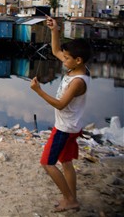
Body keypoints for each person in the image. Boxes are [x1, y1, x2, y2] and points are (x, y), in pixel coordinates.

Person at [30, 16, 92, 212]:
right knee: (65, 162)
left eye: (67, 59)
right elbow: (56, 50)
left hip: (64, 129)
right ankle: (71, 198)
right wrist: (54, 30)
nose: (62, 60)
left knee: (47, 163)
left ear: (78, 60)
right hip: (72, 127)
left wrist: (38, 90)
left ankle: (70, 200)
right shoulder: (77, 68)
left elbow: (60, 104)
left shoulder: (78, 81)